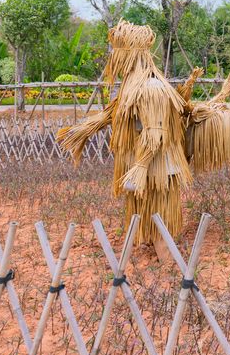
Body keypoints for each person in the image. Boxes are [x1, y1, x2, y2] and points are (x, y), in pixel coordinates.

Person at [58, 21, 191, 257]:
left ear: (129, 53)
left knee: (160, 212)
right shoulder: (131, 86)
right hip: (137, 166)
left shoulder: (151, 87)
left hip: (156, 166)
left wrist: (140, 166)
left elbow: (155, 132)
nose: (112, 57)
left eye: (116, 51)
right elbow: (113, 113)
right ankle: (149, 245)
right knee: (141, 210)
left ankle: (167, 261)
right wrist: (83, 130)